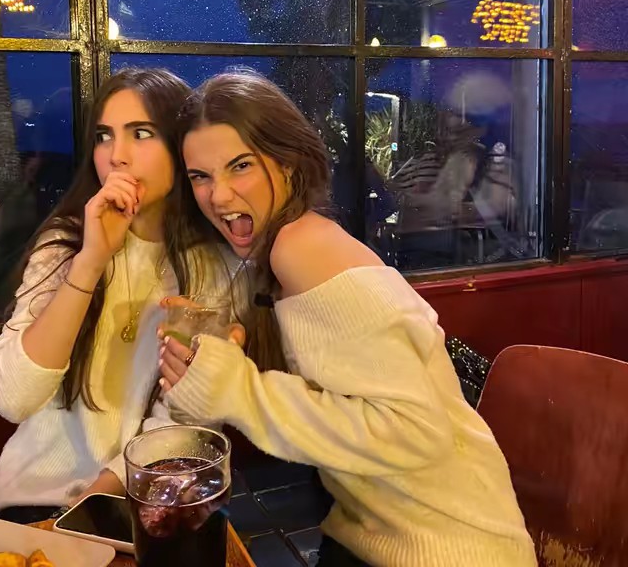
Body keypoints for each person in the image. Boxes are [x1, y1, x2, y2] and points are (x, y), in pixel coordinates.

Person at [158, 69, 538, 567]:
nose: (219, 196)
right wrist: (210, 374)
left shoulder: (300, 245)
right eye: (200, 177)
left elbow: (414, 432)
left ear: (288, 164)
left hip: (451, 546)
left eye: (241, 166)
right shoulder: (270, 257)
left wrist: (237, 390)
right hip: (372, 535)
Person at [0, 68, 242, 523]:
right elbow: (13, 399)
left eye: (141, 133)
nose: (117, 156)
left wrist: (95, 505)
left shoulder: (215, 264)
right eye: (104, 136)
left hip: (150, 495)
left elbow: (187, 422)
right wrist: (90, 261)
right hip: (35, 499)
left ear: (181, 147)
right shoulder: (65, 245)